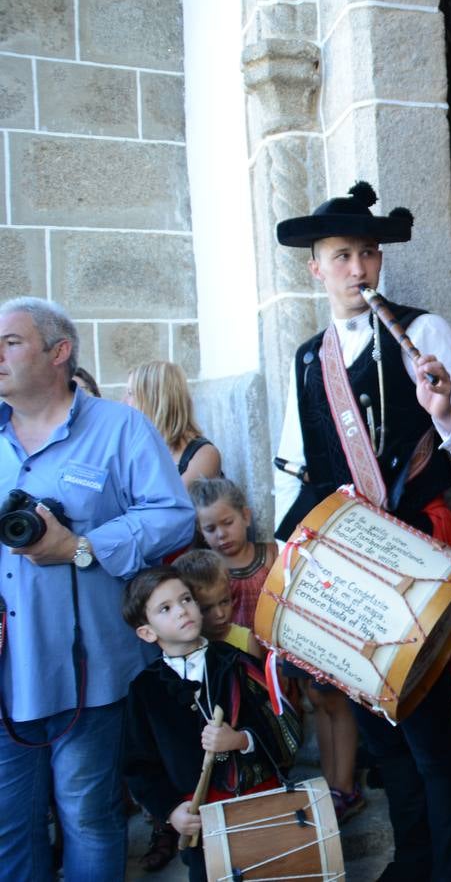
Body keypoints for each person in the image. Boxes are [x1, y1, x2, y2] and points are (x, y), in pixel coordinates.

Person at [273, 180, 451, 880]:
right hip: (348, 565)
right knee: (381, 733)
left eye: (367, 253)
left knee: (430, 729)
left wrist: (444, 409)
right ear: (315, 267)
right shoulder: (309, 358)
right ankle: (414, 857)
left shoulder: (423, 333)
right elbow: (293, 468)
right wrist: (295, 568)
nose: (358, 269)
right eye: (341, 256)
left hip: (418, 555)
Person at [0, 297, 196, 880]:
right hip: (8, 671)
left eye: (10, 342)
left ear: (59, 353)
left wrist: (82, 547)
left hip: (91, 675)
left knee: (88, 815)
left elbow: (173, 515)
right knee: (10, 823)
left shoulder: (119, 427)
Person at [121, 566, 301, 882]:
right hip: (200, 821)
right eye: (166, 608)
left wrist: (241, 740)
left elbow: (281, 723)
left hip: (256, 805)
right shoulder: (144, 690)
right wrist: (170, 810)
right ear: (148, 632)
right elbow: (138, 765)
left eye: (186, 599)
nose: (182, 610)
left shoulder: (235, 662)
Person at [189, 477, 277, 630]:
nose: (221, 534)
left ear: (246, 516)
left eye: (228, 523)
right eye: (210, 529)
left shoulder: (272, 556)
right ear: (200, 531)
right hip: (231, 652)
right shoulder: (204, 573)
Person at [125, 360, 222, 484]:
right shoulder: (139, 446)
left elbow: (170, 501)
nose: (124, 401)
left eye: (130, 393)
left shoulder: (203, 455)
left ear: (156, 399)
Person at [172, 549, 264, 658]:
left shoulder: (247, 641)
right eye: (206, 609)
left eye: (225, 601)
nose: (220, 614)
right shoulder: (182, 650)